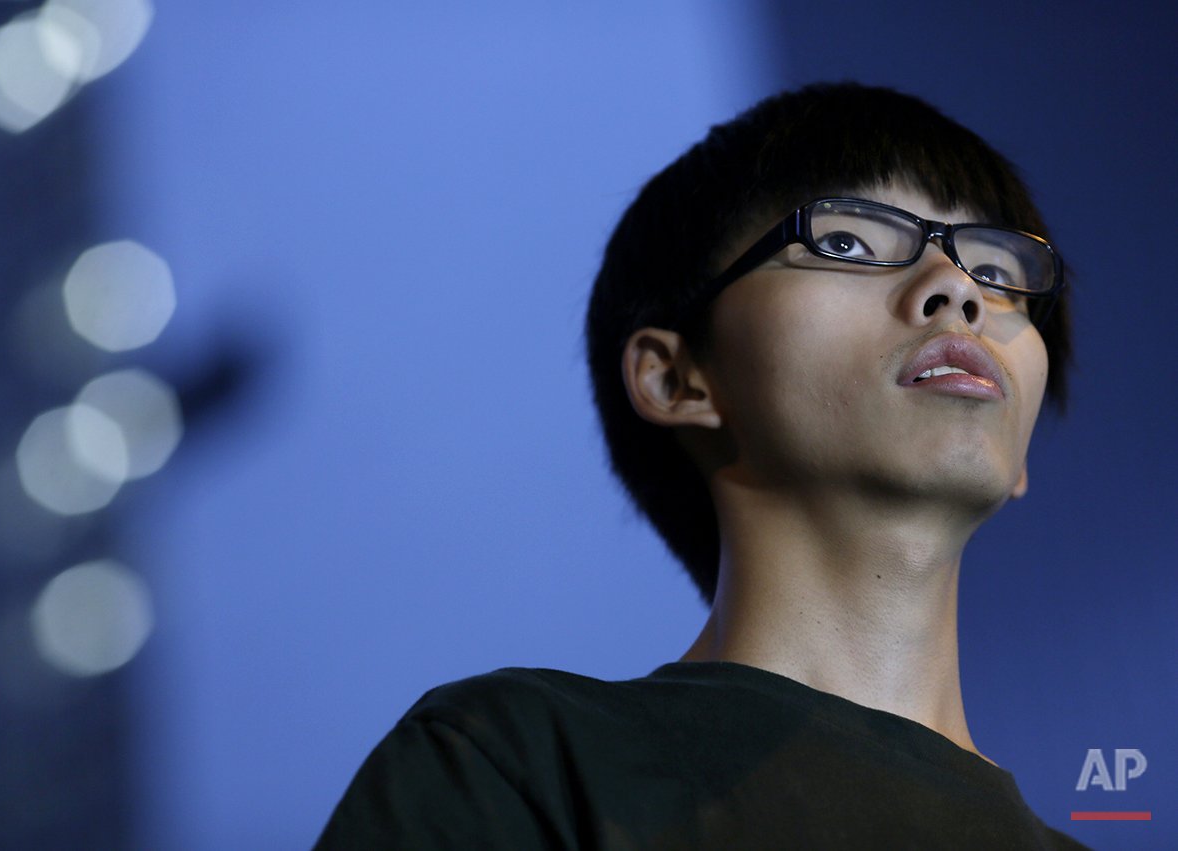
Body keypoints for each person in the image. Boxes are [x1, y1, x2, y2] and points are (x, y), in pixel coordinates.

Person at [313, 82, 1091, 850]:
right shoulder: (517, 766)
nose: (957, 288)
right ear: (677, 379)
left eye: (996, 271)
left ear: (1020, 452)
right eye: (846, 241)